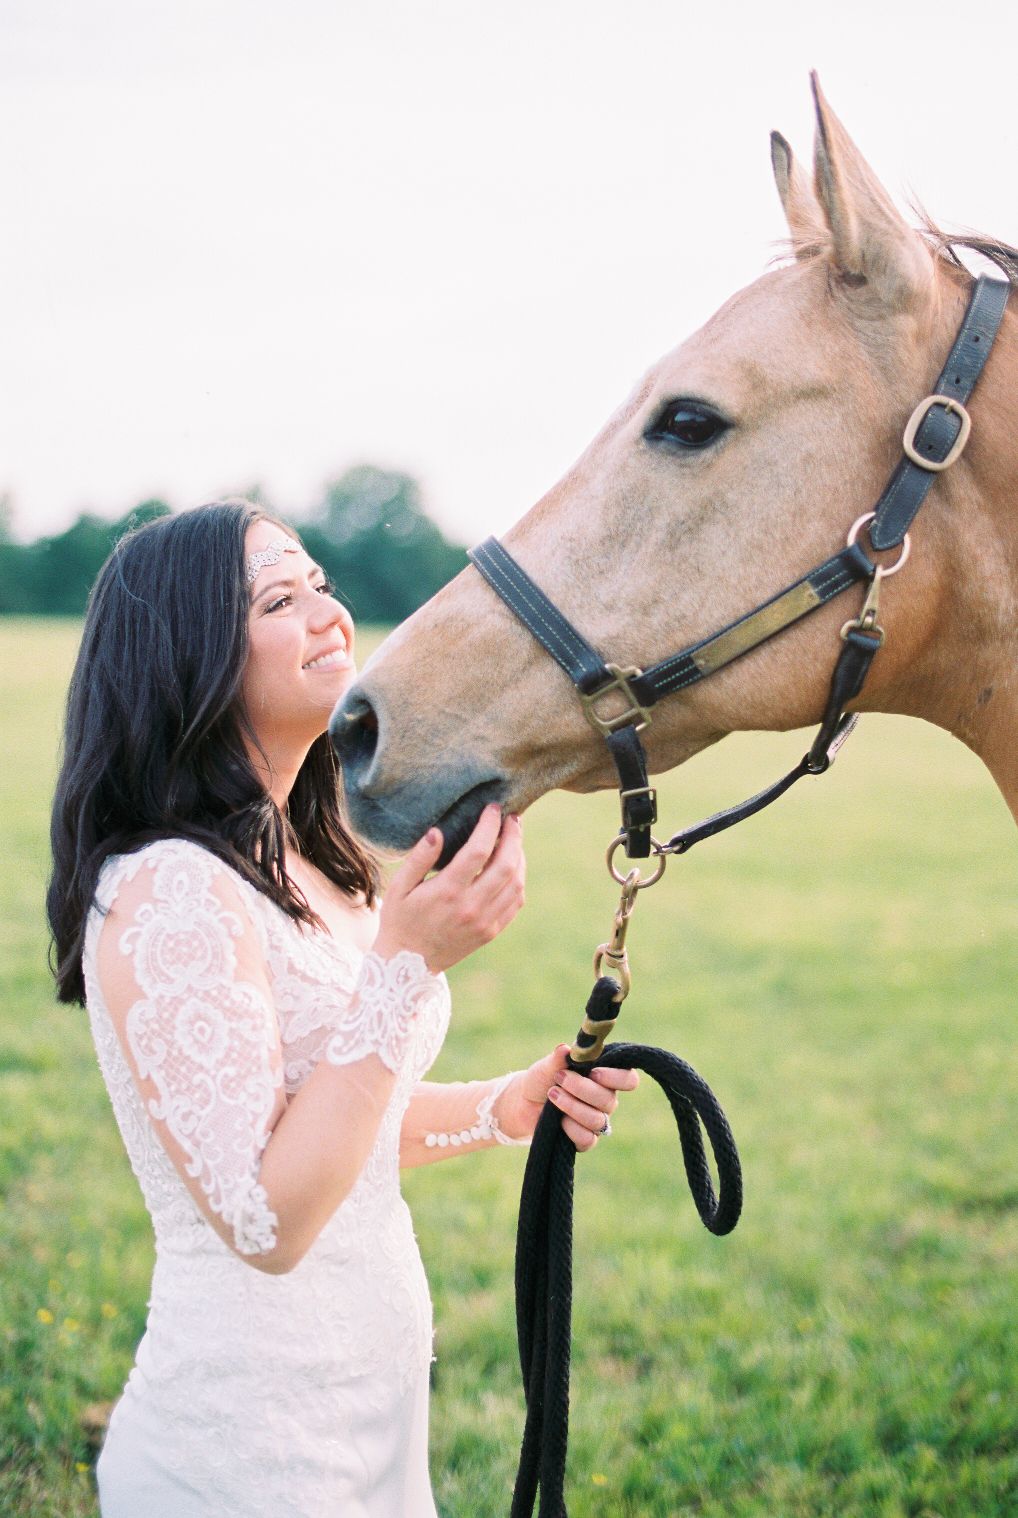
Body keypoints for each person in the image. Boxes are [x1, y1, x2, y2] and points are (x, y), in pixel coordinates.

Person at [47, 501, 638, 1517]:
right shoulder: (171, 890)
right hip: (245, 1454)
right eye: (281, 597)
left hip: (371, 1419)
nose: (330, 613)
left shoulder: (316, 868)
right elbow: (265, 1214)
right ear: (188, 655)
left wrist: (508, 1106)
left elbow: (334, 1127)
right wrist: (405, 962)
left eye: (321, 582)